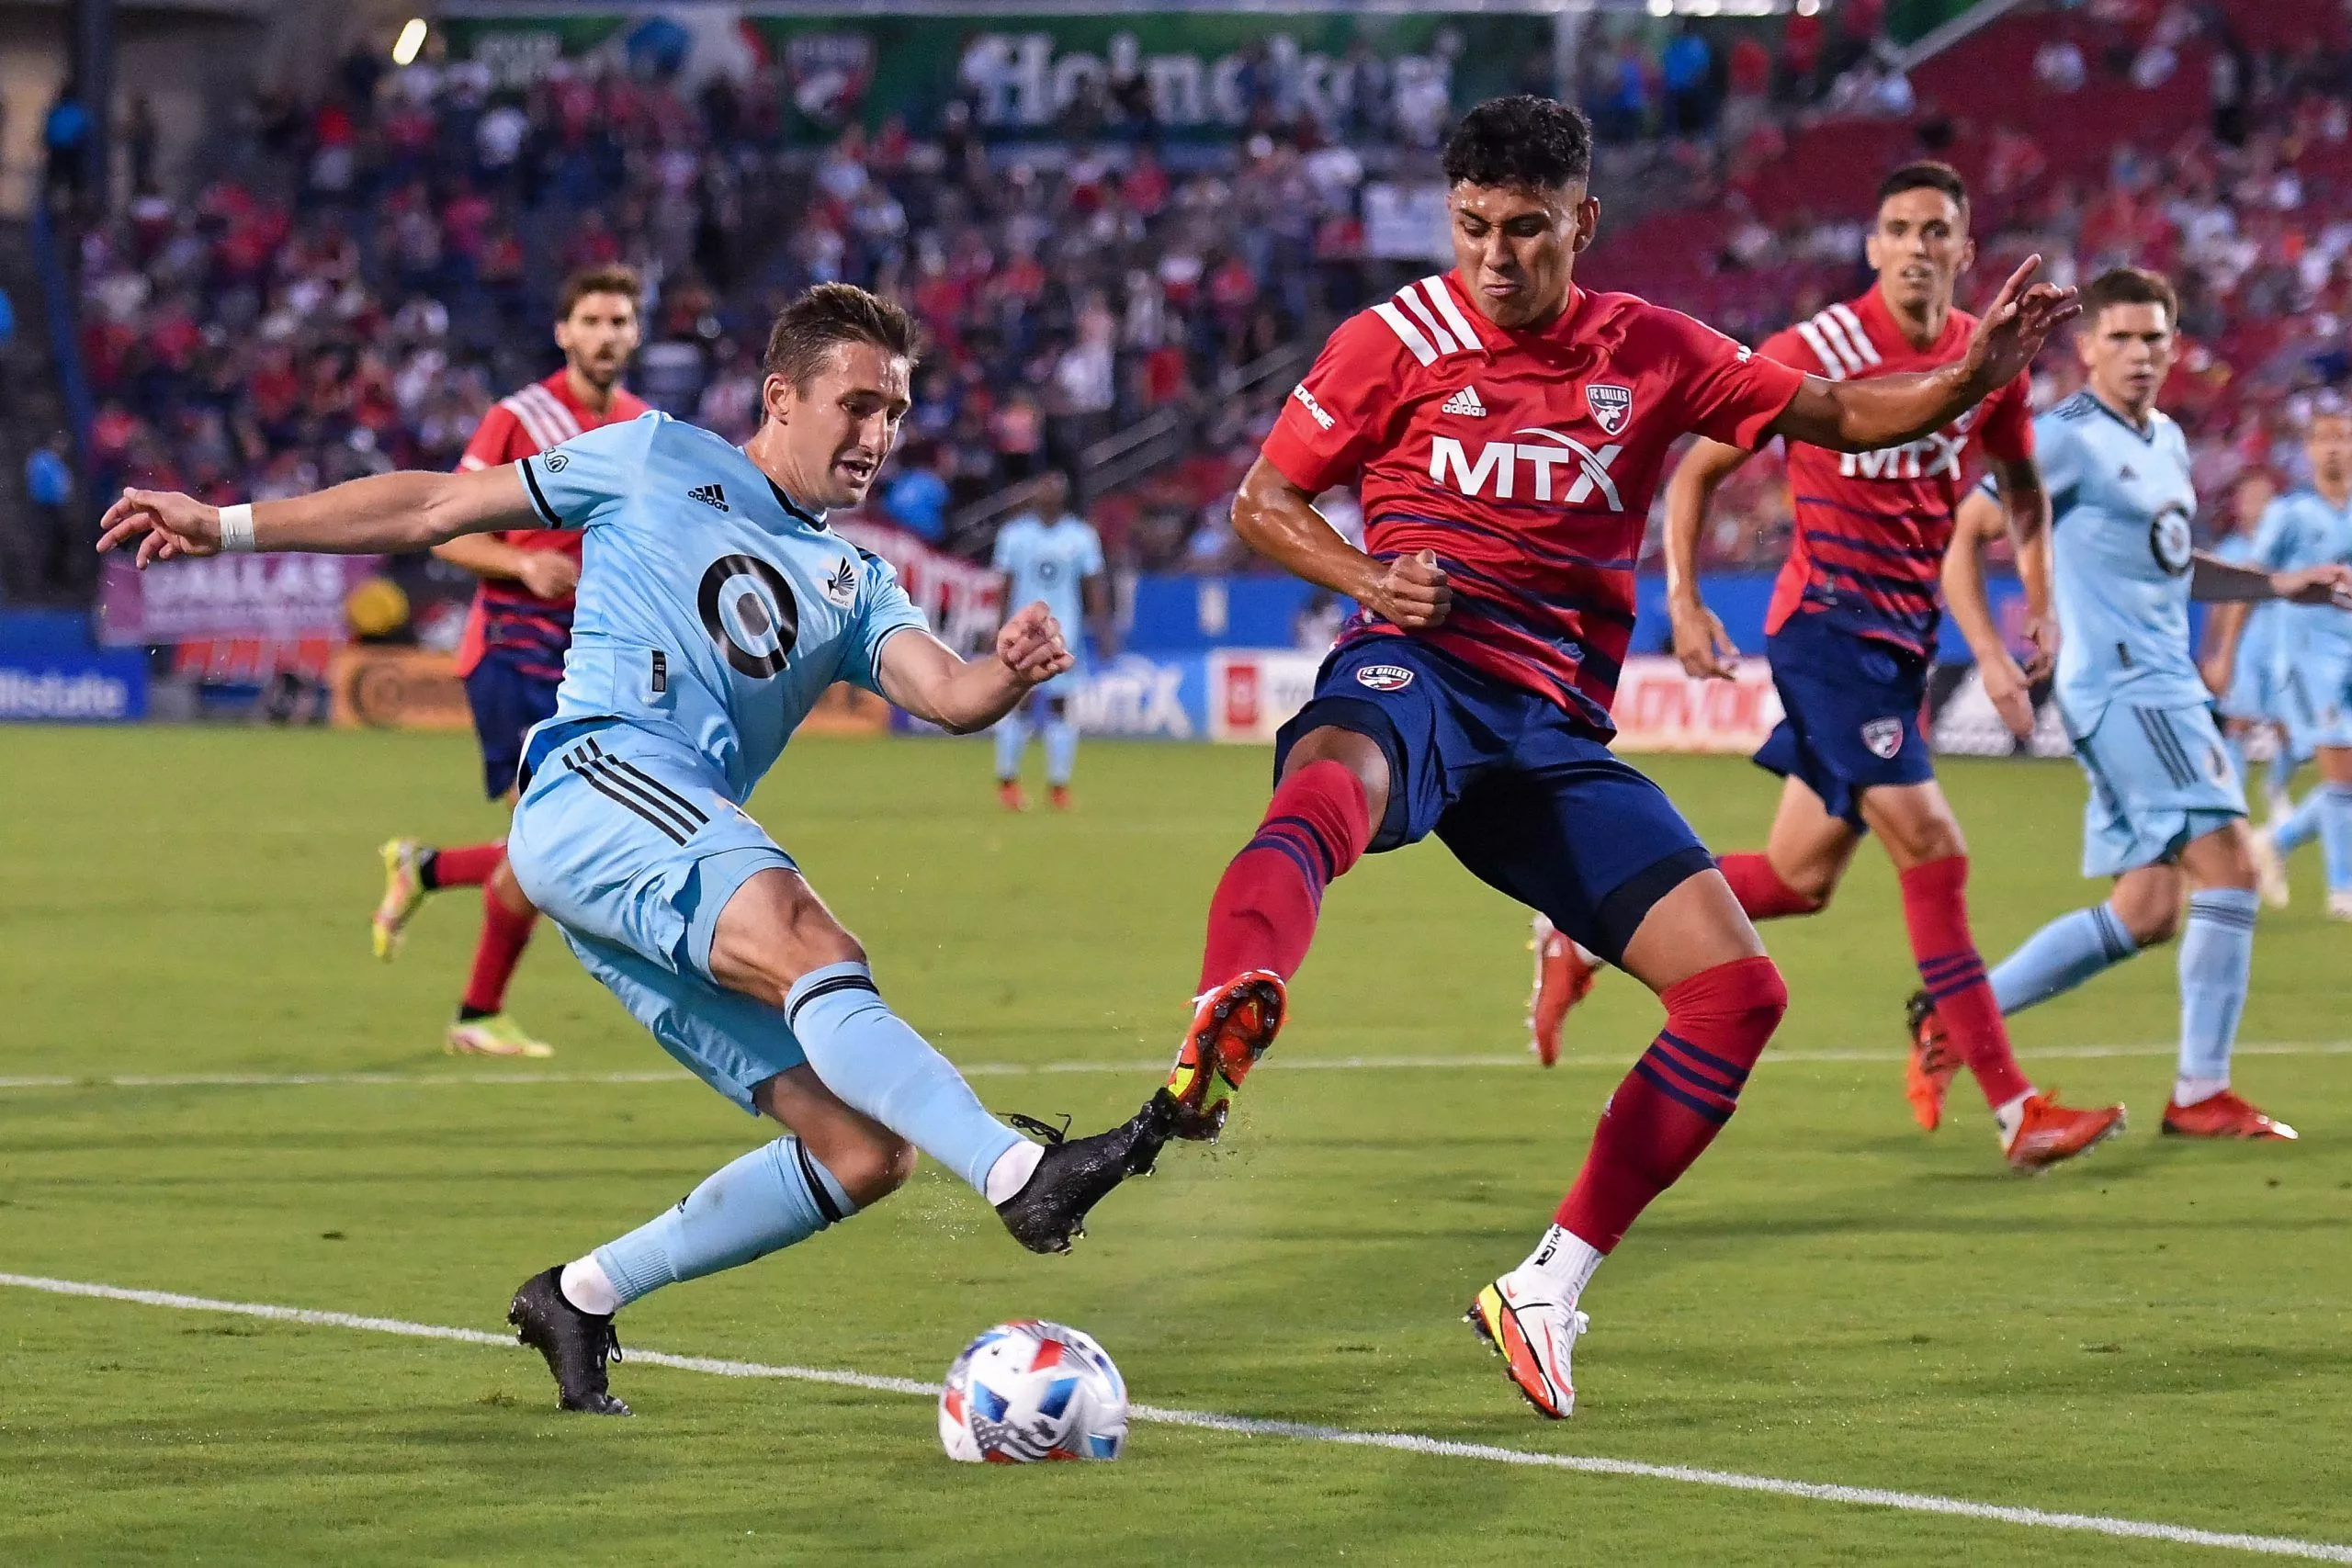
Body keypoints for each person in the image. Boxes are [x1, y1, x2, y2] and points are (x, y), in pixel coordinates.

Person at [1140, 97, 2075, 1420]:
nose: (1495, 257)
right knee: (1335, 769)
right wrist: (1365, 575)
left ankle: (1546, 1284)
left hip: (1551, 738)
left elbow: (1838, 415)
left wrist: (1971, 383)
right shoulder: (1390, 340)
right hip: (1424, 673)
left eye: (1525, 229)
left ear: (1584, 220)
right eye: (1471, 228)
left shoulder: (1655, 347)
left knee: (1739, 995)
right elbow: (1263, 500)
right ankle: (1228, 999)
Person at [98, 282, 1174, 1417]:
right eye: (857, 406)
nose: (878, 438)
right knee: (810, 938)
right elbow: (432, 510)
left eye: (896, 415)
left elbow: (948, 696)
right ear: (782, 396)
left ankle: (579, 1294)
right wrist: (222, 523)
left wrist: (1006, 667)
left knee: (864, 1152)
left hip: (648, 851)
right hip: (597, 781)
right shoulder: (653, 457)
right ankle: (1021, 1176)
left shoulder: (858, 582)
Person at [1637, 161, 2123, 1168]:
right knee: (1934, 849)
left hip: (1901, 645)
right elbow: (1697, 471)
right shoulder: (1813, 349)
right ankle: (2014, 1108)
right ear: (1871, 247)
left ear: (1962, 247)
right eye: (1897, 227)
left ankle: (1584, 921)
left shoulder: (1987, 360)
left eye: (1934, 229)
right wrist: (1681, 598)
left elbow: (2021, 486)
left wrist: (2033, 596)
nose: (1915, 246)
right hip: (1823, 628)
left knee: (1794, 878)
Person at [1950, 268, 2349, 1141]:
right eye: (2120, 337)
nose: (2137, 353)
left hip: (2157, 680)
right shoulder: (2062, 439)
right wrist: (1993, 655)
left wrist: (2282, 585)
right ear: (2087, 347)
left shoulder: (2164, 439)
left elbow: (2171, 563)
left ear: (2174, 348)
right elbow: (1965, 539)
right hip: (2129, 685)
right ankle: (2201, 1090)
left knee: (2148, 909)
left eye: (2152, 338)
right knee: (2234, 869)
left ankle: (1953, 1021)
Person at [370, 265, 652, 1060]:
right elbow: (446, 528)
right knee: (556, 844)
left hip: (588, 658)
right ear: (564, 332)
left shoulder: (641, 427)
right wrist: (523, 565)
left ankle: (425, 871)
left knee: (563, 842)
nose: (605, 334)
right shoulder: (516, 417)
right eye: (591, 320)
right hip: (512, 650)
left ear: (635, 335)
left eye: (619, 321)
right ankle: (475, 1007)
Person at [2219, 402, 2352, 920]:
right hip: (2308, 661)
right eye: (2325, 438)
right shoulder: (2290, 515)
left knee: (2346, 779)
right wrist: (2227, 653)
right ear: (2310, 449)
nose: (2335, 447)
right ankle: (2342, 889)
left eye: (2343, 437)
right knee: (2340, 773)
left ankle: (2275, 840)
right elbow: (2250, 583)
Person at [989, 469, 1106, 810]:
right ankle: (1008, 781)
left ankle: (1058, 785)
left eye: (1056, 487)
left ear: (1065, 493)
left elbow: (1092, 586)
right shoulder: (1015, 535)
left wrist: (1102, 628)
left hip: (1063, 635)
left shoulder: (1081, 536)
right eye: (1044, 486)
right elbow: (1005, 586)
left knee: (1060, 707)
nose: (1049, 493)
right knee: (1019, 704)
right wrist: (998, 629)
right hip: (1023, 635)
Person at [2209, 467, 2301, 825]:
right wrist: (2214, 653)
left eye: (2265, 499)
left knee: (2291, 729)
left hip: (2282, 645)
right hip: (2244, 648)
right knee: (2237, 723)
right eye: (2250, 499)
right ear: (2238, 504)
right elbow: (2219, 609)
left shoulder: (2288, 549)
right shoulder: (2230, 549)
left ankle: (2275, 787)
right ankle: (2233, 805)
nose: (2257, 506)